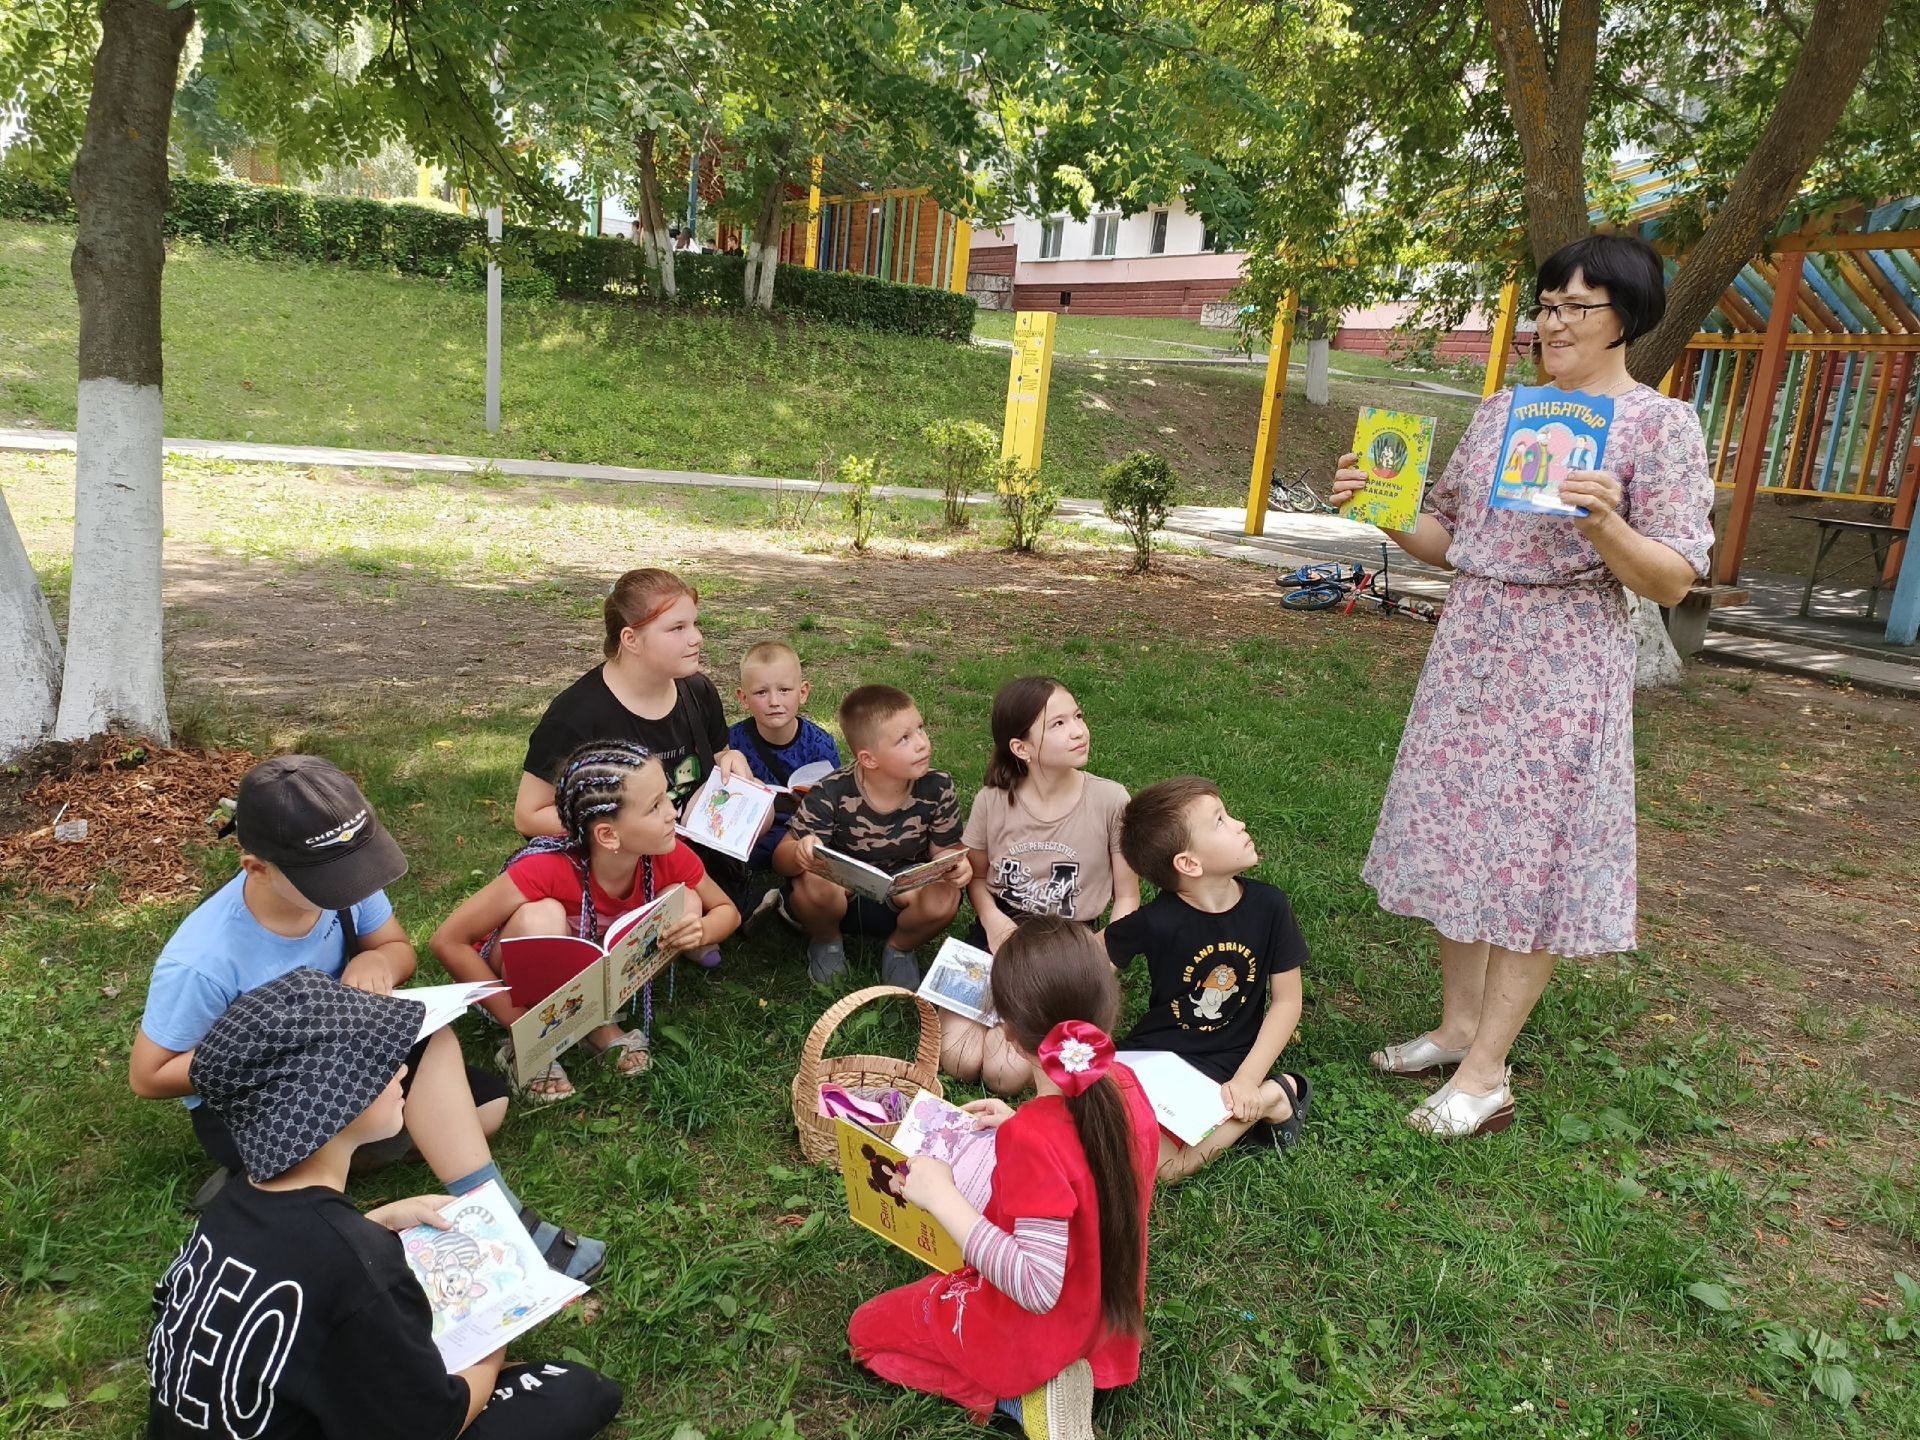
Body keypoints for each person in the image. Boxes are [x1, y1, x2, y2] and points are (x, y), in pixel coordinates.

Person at [1329, 232, 1715, 1138]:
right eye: (1545, 306)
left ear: (1627, 318)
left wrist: (1605, 528)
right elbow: (1447, 537)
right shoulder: (1505, 411)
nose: (1553, 324)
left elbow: (1672, 579)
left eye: (1575, 308)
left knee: (1533, 858)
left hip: (1567, 659)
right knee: (1459, 831)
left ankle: (1488, 1069)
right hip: (1472, 645)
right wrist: (1379, 507)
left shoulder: (1659, 427)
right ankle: (1458, 1026)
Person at [131, 755, 605, 1280]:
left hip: (347, 1062)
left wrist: (374, 960)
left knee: (488, 1107)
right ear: (257, 869)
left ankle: (303, 1170)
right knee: (431, 1064)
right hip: (258, 1099)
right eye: (332, 878)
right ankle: (499, 1218)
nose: (352, 886)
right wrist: (278, 1038)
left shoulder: (345, 888)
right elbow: (149, 1076)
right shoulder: (201, 959)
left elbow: (398, 948)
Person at [146, 968, 624, 1440]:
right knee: (574, 1391)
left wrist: (374, 1224)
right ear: (328, 1104)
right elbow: (434, 1424)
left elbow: (289, 1274)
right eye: (377, 1060)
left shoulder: (229, 1211)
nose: (400, 1068)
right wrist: (493, 1336)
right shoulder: (357, 1267)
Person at [847, 919, 1158, 1439]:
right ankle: (1072, 1372)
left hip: (1041, 1331)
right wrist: (1020, 1123)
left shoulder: (1034, 1140)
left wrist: (943, 1198)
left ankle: (1022, 1397)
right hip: (1104, 1315)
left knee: (867, 1334)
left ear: (1008, 1034)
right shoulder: (1124, 1087)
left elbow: (1035, 1285)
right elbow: (1092, 1176)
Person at [431, 741, 739, 1102]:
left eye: (667, 797)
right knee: (540, 916)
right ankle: (530, 1041)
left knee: (685, 900)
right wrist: (516, 1021)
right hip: (523, 983)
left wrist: (700, 930)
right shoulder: (544, 868)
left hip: (602, 979)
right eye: (654, 807)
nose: (672, 812)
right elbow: (447, 941)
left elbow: (727, 911)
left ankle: (595, 1023)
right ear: (608, 835)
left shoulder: (668, 853)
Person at [516, 568, 757, 964]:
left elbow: (712, 759)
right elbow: (529, 816)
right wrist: (625, 830)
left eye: (694, 624)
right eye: (676, 628)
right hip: (608, 863)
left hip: (677, 858)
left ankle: (669, 929)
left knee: (692, 897)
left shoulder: (697, 690)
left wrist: (730, 760)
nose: (696, 638)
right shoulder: (577, 715)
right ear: (631, 639)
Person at [1102, 777, 1309, 1181]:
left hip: (1226, 1060)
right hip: (1151, 1054)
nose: (1239, 823)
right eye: (1220, 821)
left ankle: (1273, 1096)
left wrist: (1248, 1081)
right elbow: (1086, 964)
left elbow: (1288, 1002)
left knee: (1162, 1169)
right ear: (1189, 864)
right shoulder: (1157, 921)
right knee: (1098, 1128)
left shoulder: (1270, 907)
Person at [947, 676, 1139, 1093]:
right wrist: (993, 921)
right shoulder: (992, 800)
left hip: (1065, 948)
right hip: (996, 938)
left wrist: (1097, 960)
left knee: (1004, 1072)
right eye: (1058, 724)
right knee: (958, 1058)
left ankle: (1017, 1022)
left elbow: (1127, 897)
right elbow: (977, 878)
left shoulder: (1111, 800)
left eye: (1079, 717)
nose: (1078, 731)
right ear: (1021, 748)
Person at [775, 684, 970, 988]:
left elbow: (945, 849)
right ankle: (826, 942)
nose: (922, 743)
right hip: (843, 898)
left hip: (906, 895)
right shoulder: (831, 791)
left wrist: (956, 864)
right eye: (904, 739)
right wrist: (800, 850)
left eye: (920, 729)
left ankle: (900, 948)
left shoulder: (938, 786)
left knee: (946, 895)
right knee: (811, 882)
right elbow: (781, 860)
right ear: (869, 759)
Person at [726, 640, 841, 874]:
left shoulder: (820, 744)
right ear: (743, 698)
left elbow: (834, 802)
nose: (774, 702)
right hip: (749, 833)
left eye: (784, 690)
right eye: (761, 692)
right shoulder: (732, 741)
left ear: (803, 692)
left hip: (801, 830)